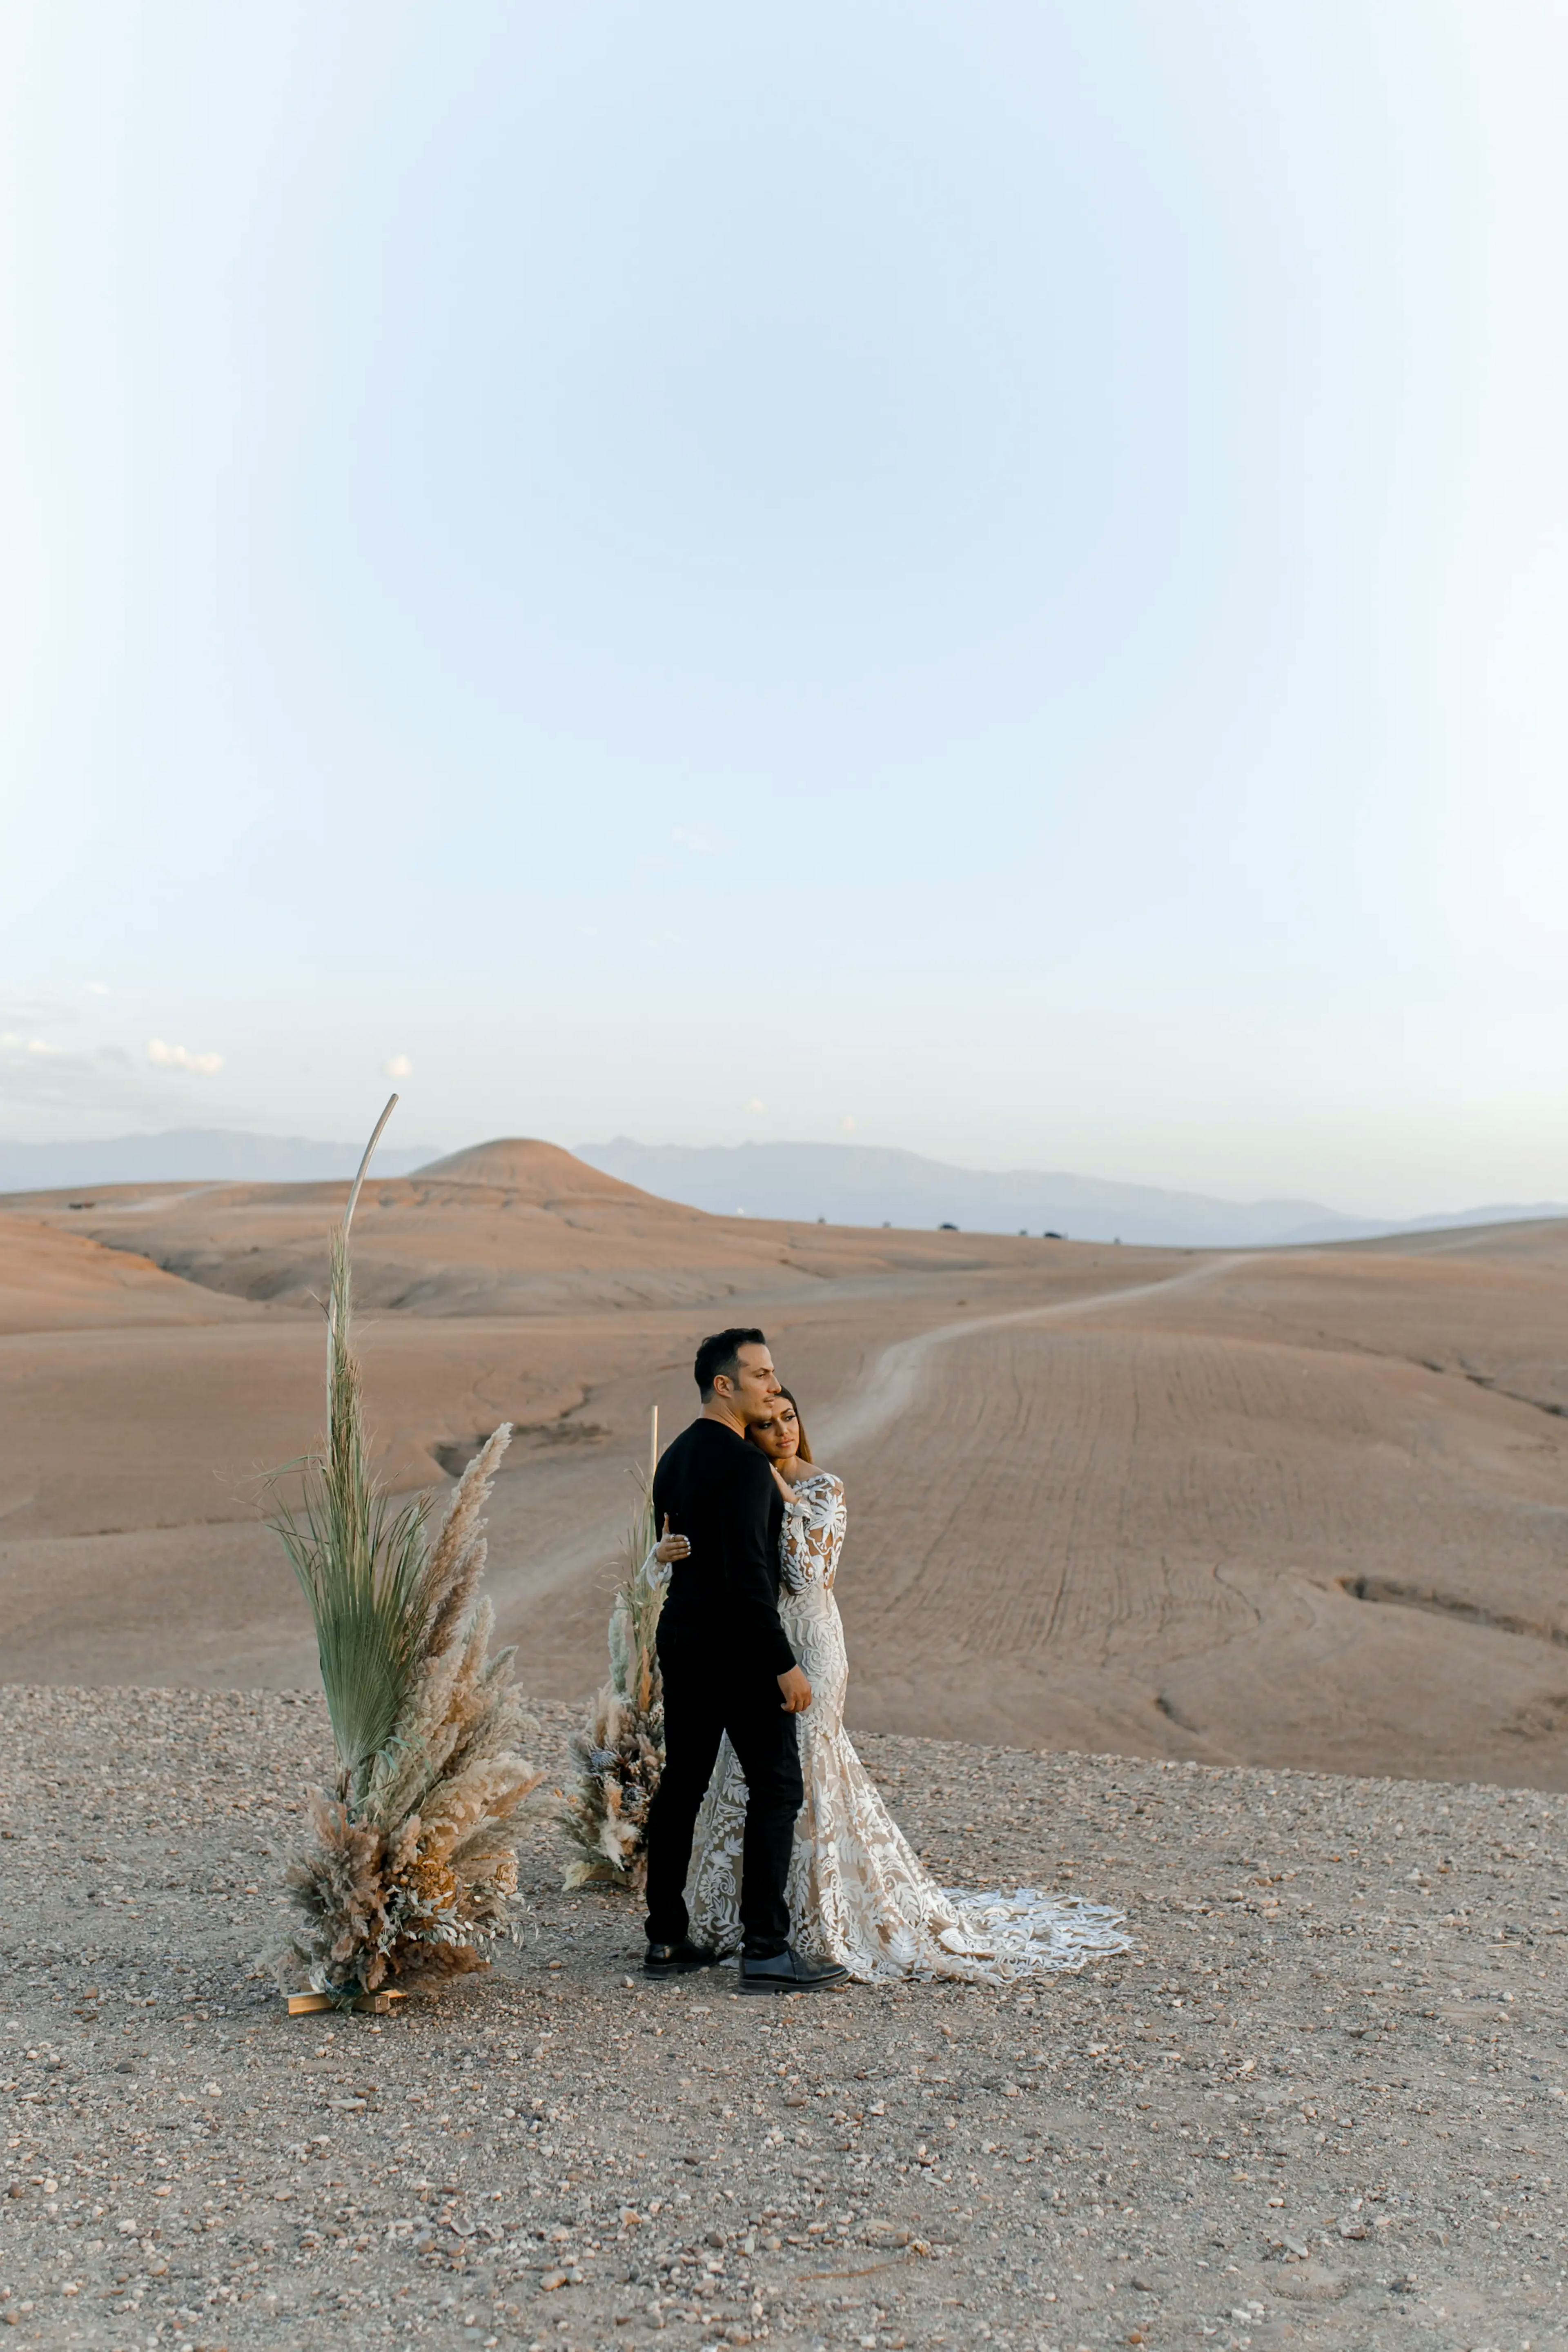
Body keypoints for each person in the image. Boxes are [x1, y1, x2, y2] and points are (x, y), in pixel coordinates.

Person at [681, 1389, 1131, 1983]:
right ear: (748, 1435)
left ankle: (819, 1919)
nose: (783, 1431)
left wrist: (781, 1494)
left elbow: (804, 1572)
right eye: (766, 1425)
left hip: (809, 1647)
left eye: (789, 1418)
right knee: (743, 1769)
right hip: (754, 1644)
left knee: (807, 1771)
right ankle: (738, 1922)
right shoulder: (741, 1488)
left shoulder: (823, 1489)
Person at [641, 1329, 849, 1994]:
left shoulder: (675, 1457)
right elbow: (748, 1579)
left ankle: (666, 1939)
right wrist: (783, 1664)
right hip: (737, 1649)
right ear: (724, 1385)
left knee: (682, 1786)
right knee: (779, 1788)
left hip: (684, 1642)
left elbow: (674, 1550)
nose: (771, 1384)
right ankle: (766, 1949)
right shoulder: (740, 1464)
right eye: (760, 1375)